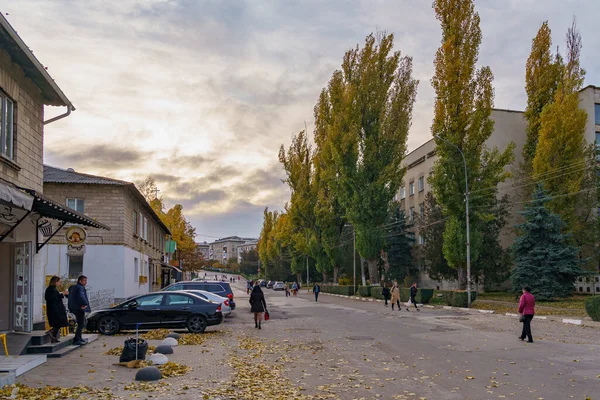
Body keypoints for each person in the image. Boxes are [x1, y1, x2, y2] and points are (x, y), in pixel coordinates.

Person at [45, 276, 69, 343]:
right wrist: (62, 294)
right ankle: (51, 332)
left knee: (58, 324)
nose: (60, 283)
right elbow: (54, 298)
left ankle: (54, 338)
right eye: (59, 282)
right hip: (55, 310)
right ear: (55, 282)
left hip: (56, 309)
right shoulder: (51, 289)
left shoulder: (53, 289)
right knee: (58, 323)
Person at [68, 275, 90, 345]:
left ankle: (79, 337)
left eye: (86, 280)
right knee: (81, 323)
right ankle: (77, 339)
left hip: (74, 307)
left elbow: (69, 295)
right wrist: (85, 304)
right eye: (84, 280)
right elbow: (82, 296)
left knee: (81, 323)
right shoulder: (80, 288)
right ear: (80, 281)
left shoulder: (73, 287)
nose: (86, 282)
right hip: (79, 308)